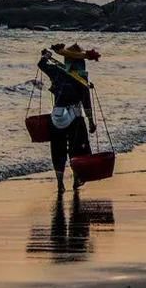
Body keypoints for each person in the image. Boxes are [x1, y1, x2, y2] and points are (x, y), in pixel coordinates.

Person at [37, 47, 99, 192]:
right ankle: (77, 178)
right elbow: (86, 102)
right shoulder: (81, 77)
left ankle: (60, 183)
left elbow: (41, 64)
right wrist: (90, 121)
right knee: (77, 150)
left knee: (57, 150)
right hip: (75, 118)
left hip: (56, 118)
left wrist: (46, 55)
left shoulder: (57, 71)